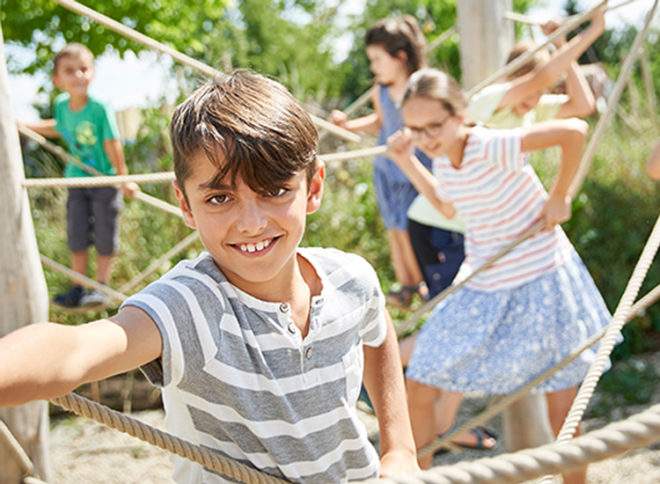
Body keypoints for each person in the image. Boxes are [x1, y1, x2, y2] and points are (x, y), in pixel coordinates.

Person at [0, 71, 420, 483]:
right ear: (185, 205)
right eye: (220, 198)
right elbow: (76, 349)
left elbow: (376, 329)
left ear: (312, 188)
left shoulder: (351, 278)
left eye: (274, 190)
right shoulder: (194, 306)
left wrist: (399, 448)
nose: (251, 223)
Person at [388, 68, 613, 484]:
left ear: (459, 115)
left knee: (564, 410)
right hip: (486, 283)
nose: (425, 137)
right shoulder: (442, 158)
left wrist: (560, 196)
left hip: (541, 275)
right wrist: (406, 159)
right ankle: (416, 476)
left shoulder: (489, 144)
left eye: (434, 125)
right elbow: (448, 204)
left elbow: (574, 131)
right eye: (415, 129)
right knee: (419, 382)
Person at [399, 7, 607, 366]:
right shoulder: (484, 104)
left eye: (543, 92)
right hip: (449, 227)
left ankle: (434, 405)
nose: (536, 98)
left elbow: (582, 106)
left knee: (481, 341)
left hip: (483, 230)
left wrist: (560, 41)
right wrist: (589, 33)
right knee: (458, 333)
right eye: (533, 88)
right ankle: (390, 373)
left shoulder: (529, 110)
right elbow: (541, 76)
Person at [17, 43, 139, 309]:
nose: (79, 76)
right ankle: (78, 286)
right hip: (76, 179)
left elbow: (112, 143)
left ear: (92, 73)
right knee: (77, 234)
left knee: (106, 234)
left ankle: (101, 287)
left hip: (103, 180)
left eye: (84, 69)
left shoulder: (99, 108)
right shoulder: (61, 105)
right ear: (57, 80)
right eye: (70, 71)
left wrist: (123, 177)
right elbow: (58, 127)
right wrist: (24, 125)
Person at [329, 15, 431, 308]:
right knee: (395, 229)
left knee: (414, 227)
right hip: (387, 168)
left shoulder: (421, 85)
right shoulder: (381, 90)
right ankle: (406, 286)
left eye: (377, 60)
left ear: (400, 57)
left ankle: (422, 283)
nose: (373, 67)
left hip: (415, 167)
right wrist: (348, 125)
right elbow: (380, 122)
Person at [466, 8, 606, 127]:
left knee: (577, 127)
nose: (533, 96)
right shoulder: (490, 97)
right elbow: (543, 77)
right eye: (527, 85)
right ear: (507, 77)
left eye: (540, 91)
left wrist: (561, 45)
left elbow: (583, 106)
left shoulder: (533, 110)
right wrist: (594, 29)